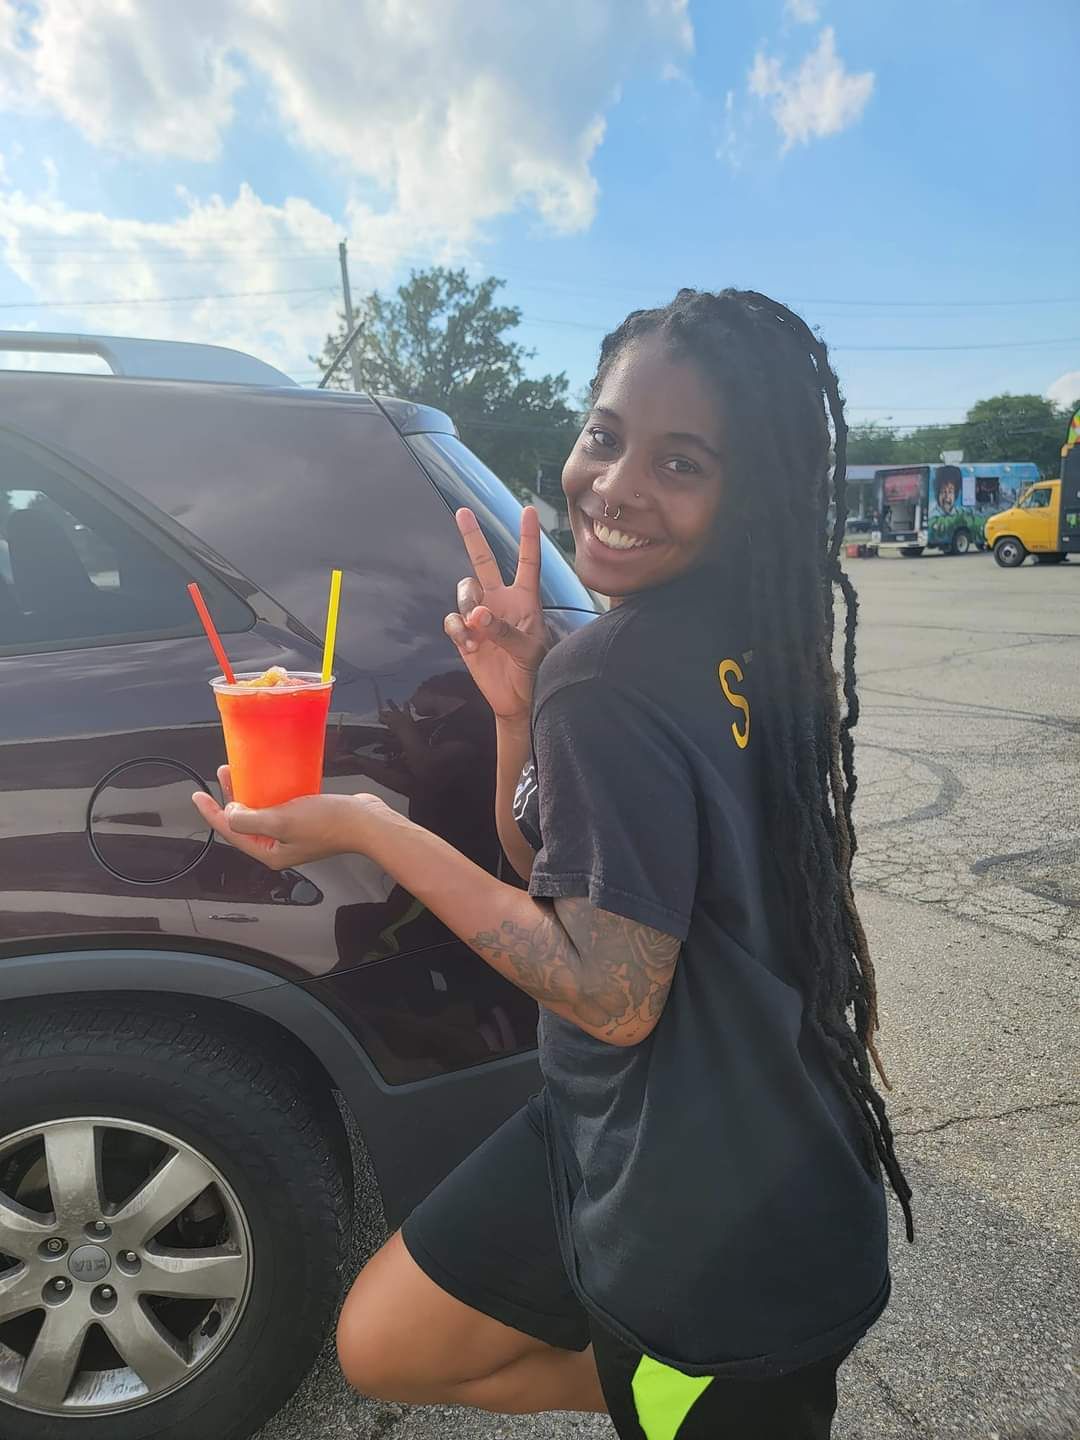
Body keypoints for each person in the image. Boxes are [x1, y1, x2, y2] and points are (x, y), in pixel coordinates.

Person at [194, 288, 913, 1439]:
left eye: (681, 462)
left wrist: (374, 830)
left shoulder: (620, 671)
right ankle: (653, 1386)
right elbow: (561, 878)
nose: (616, 488)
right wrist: (522, 713)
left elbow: (611, 993)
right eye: (604, 434)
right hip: (642, 1136)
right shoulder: (731, 643)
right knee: (383, 1339)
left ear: (749, 493)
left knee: (646, 1394)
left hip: (717, 1234)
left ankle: (691, 1392)